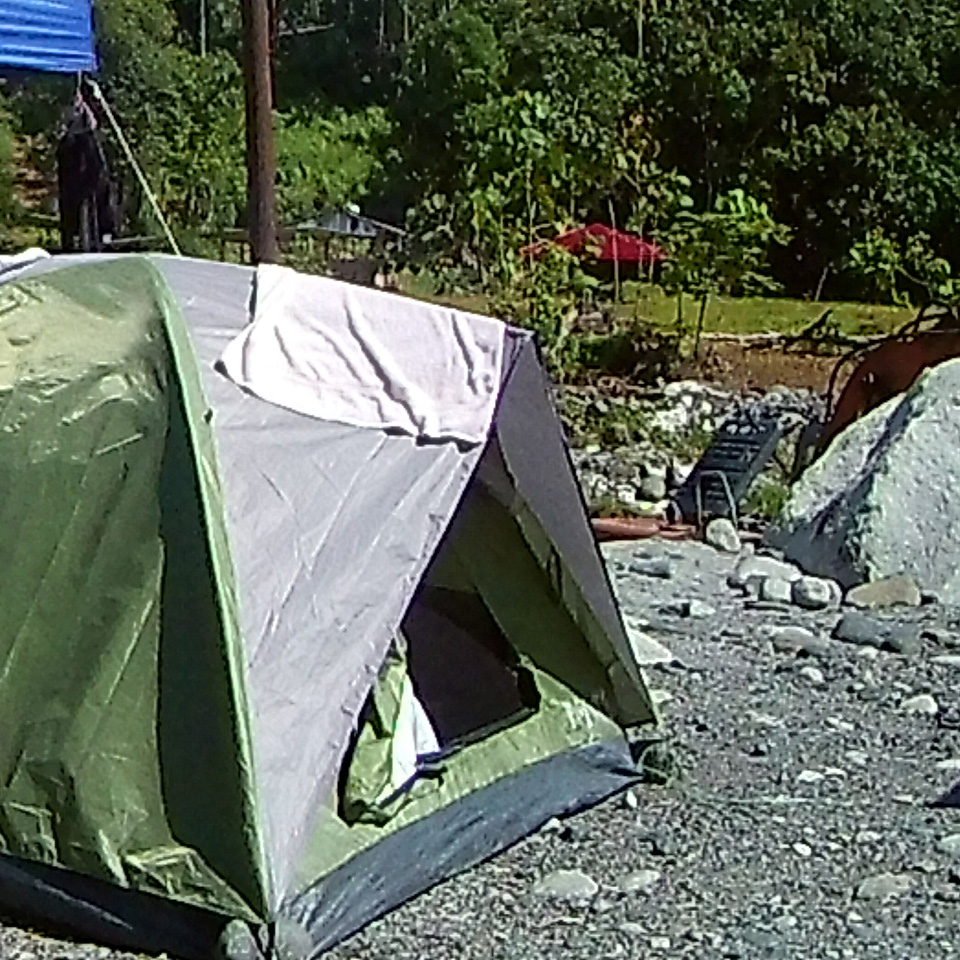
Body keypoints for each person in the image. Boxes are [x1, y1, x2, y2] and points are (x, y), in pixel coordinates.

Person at [56, 85, 116, 252]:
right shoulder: (67, 100)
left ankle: (104, 231)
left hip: (85, 141)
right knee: (72, 193)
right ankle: (72, 236)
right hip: (73, 144)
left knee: (100, 186)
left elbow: (94, 121)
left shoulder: (90, 92)